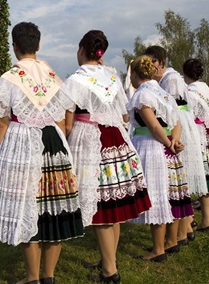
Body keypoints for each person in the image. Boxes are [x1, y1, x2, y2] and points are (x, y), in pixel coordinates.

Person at [0, 22, 84, 284]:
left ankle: (32, 277)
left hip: (22, 144)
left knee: (26, 207)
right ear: (38, 46)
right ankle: (48, 275)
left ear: (15, 47)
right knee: (54, 208)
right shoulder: (55, 78)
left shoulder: (10, 79)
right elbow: (63, 120)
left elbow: (1, 123)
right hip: (54, 144)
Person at [65, 30, 151, 282]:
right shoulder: (112, 75)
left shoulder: (75, 79)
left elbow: (68, 121)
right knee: (113, 207)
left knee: (101, 209)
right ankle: (108, 260)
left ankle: (109, 271)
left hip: (90, 138)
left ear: (82, 50)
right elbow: (124, 115)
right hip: (115, 138)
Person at [127, 55, 192, 262]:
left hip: (152, 147)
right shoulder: (163, 94)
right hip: (169, 147)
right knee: (170, 194)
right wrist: (174, 141)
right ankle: (170, 241)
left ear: (135, 75)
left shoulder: (142, 95)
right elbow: (177, 122)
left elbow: (153, 125)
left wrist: (166, 142)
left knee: (156, 196)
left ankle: (158, 249)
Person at [144, 45, 206, 242]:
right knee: (179, 178)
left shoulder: (170, 79)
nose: (151, 65)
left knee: (180, 178)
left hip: (179, 126)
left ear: (161, 62)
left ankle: (183, 229)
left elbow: (167, 108)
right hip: (177, 123)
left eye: (153, 61)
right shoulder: (164, 79)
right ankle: (186, 227)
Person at [183, 58, 209, 232]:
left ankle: (189, 220)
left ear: (185, 73)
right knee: (207, 181)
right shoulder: (205, 88)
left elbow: (186, 115)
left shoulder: (188, 91)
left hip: (197, 135)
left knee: (191, 176)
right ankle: (206, 220)